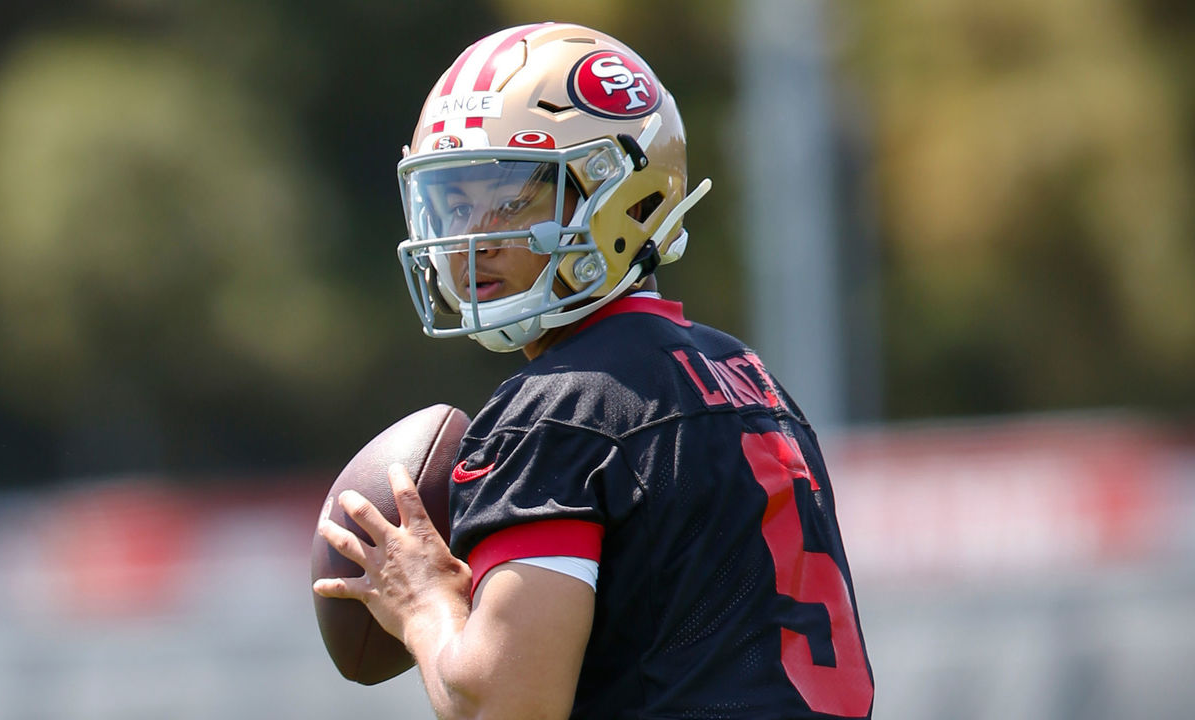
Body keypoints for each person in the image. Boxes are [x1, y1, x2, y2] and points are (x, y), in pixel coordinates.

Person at [314, 22, 874, 719]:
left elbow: (508, 707)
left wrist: (424, 604)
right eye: (454, 202)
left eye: (510, 197)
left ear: (623, 197)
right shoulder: (750, 377)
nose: (470, 239)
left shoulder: (559, 408)